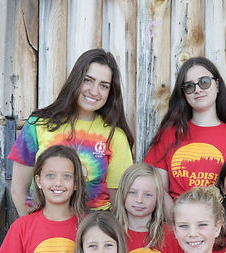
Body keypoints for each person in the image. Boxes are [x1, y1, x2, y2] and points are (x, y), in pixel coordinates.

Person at [9, 48, 134, 215]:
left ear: (110, 93)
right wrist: (27, 231)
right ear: (76, 80)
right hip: (42, 228)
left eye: (104, 86)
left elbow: (118, 201)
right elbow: (18, 191)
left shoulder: (115, 136)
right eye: (88, 80)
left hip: (92, 231)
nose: (94, 91)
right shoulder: (37, 125)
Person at [144, 56, 226, 218]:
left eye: (204, 82)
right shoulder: (168, 135)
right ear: (183, 93)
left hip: (223, 229)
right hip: (178, 228)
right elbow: (157, 190)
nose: (197, 90)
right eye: (189, 86)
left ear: (217, 85)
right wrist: (181, 224)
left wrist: (220, 227)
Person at [113, 163, 181, 253]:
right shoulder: (110, 234)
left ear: (158, 198)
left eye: (148, 195)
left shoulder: (173, 236)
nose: (139, 200)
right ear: (122, 193)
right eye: (132, 192)